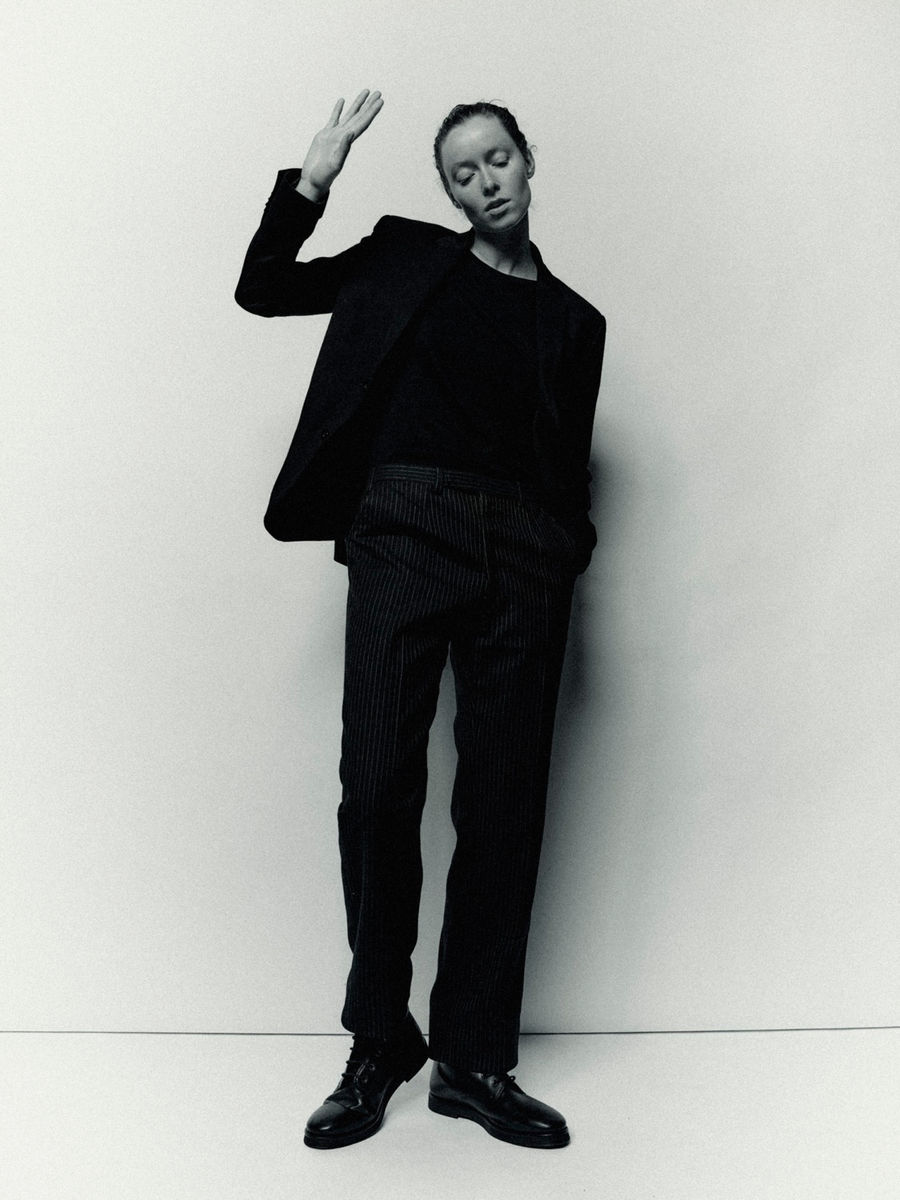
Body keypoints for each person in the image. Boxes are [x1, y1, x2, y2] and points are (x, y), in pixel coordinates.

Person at [235, 89, 606, 1150]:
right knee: (378, 787)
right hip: (405, 529)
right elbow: (264, 289)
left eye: (497, 159)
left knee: (505, 806)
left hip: (524, 558)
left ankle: (473, 1058)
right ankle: (378, 1040)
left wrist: (559, 554)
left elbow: (566, 467)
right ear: (447, 192)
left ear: (528, 160)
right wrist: (313, 179)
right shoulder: (404, 260)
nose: (486, 181)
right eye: (462, 172)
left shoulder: (576, 324)